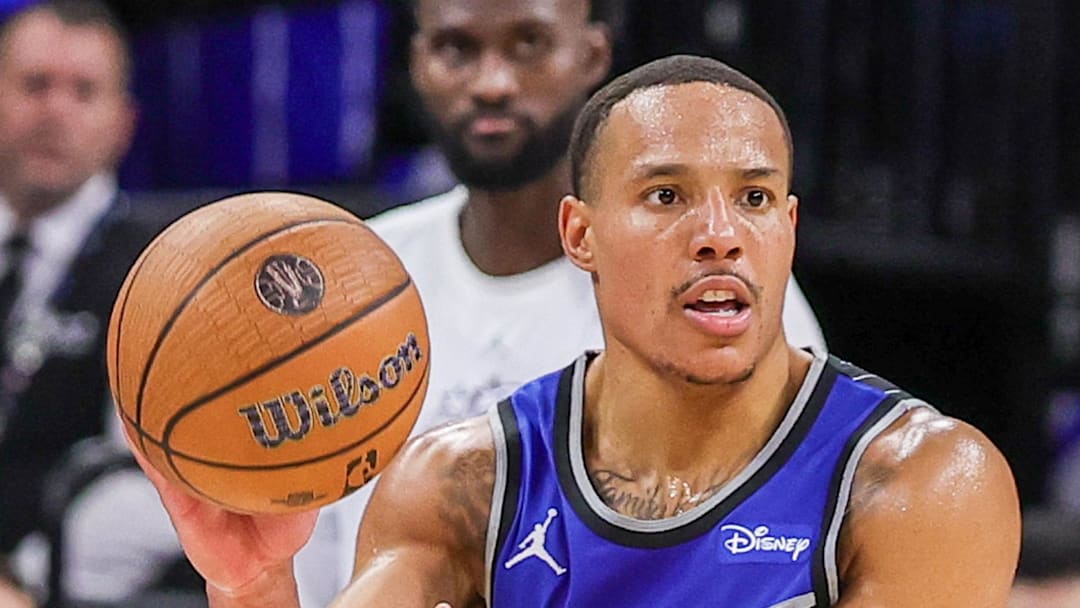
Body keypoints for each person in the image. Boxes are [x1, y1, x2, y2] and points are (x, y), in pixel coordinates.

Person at [132, 54, 1020, 607]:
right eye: (666, 195)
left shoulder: (920, 483)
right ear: (579, 236)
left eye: (753, 198)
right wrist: (252, 587)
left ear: (788, 225)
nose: (720, 232)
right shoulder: (462, 480)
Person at [293, 0, 826, 604]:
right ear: (418, 62)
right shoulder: (355, 276)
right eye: (456, 48)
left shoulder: (718, 297)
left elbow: (780, 546)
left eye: (528, 45)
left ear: (593, 54)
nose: (492, 83)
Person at [0, 0, 153, 595]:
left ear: (123, 123)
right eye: (35, 86)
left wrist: (23, 577)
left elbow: (153, 492)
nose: (54, 112)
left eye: (83, 92)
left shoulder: (158, 272)